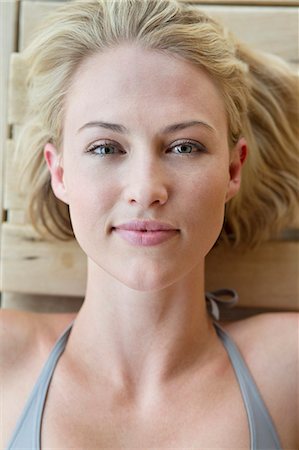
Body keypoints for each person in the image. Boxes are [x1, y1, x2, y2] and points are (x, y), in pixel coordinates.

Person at [1, 0, 298, 449]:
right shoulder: (6, 360)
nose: (146, 189)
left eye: (184, 147)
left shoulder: (288, 369)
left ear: (233, 170)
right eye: (105, 148)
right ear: (59, 172)